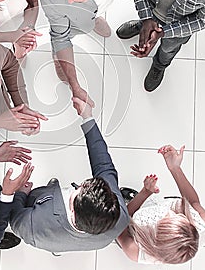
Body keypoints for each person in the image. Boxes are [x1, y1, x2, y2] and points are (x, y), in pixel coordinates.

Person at [9, 97, 129, 252]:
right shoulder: (118, 212)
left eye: (77, 190)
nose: (77, 186)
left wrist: (20, 194)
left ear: (72, 209)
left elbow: (15, 218)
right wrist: (87, 117)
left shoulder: (32, 226)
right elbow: (104, 166)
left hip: (37, 205)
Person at [117, 145, 205, 264]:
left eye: (162, 219)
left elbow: (121, 224)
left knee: (119, 217)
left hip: (131, 229)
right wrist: (175, 168)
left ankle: (131, 202)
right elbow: (194, 202)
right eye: (176, 215)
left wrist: (144, 193)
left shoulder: (134, 250)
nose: (166, 211)